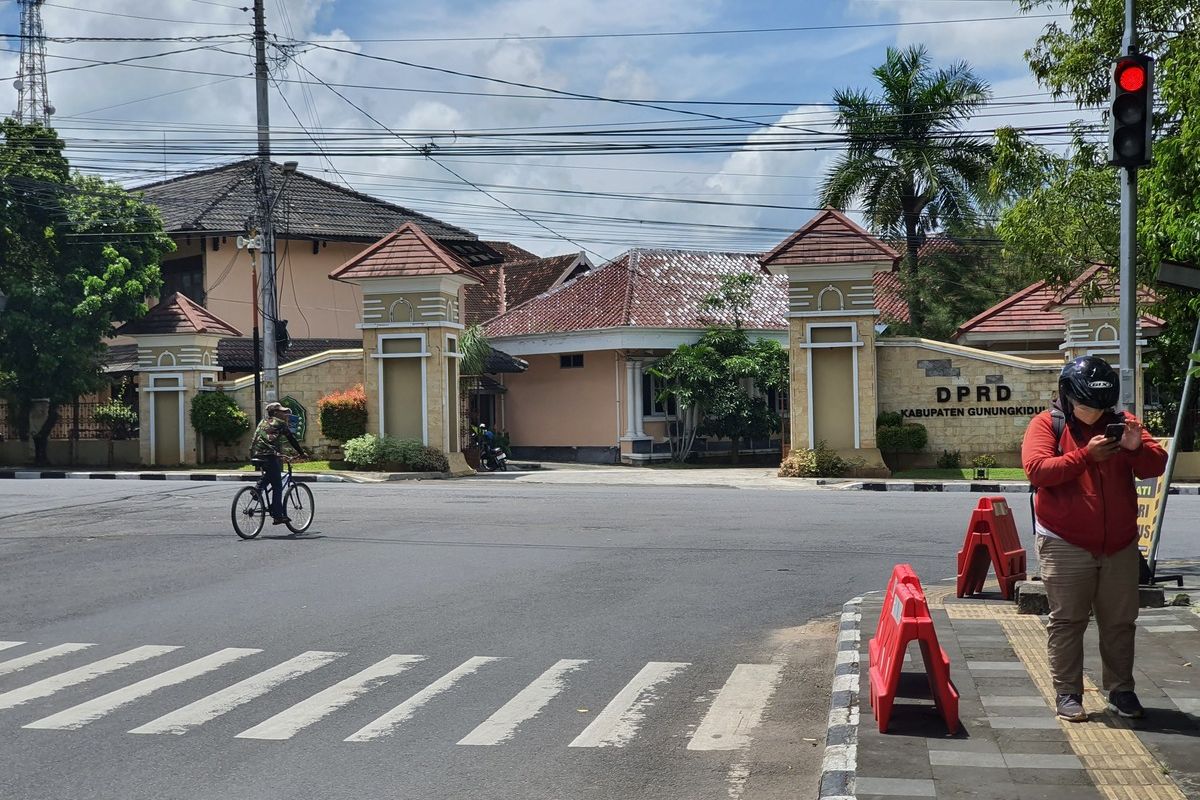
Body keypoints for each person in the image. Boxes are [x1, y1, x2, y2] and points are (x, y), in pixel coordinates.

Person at [1022, 355, 1167, 722]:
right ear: (1068, 397)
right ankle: (1068, 692)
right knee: (1067, 620)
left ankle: (1121, 690)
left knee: (1120, 622)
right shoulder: (1047, 424)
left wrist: (1136, 448)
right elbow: (1037, 470)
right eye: (1086, 406)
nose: (1094, 413)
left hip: (1119, 543)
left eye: (1101, 407)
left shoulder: (1124, 423)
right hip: (1064, 540)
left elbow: (1156, 466)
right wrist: (1085, 456)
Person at [249, 401, 307, 525]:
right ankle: (277, 515)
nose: (285, 414)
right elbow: (291, 439)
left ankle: (257, 490)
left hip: (255, 454)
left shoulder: (263, 422)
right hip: (268, 454)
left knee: (270, 474)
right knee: (277, 485)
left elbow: (263, 439)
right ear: (275, 413)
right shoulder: (280, 423)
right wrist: (301, 453)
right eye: (282, 412)